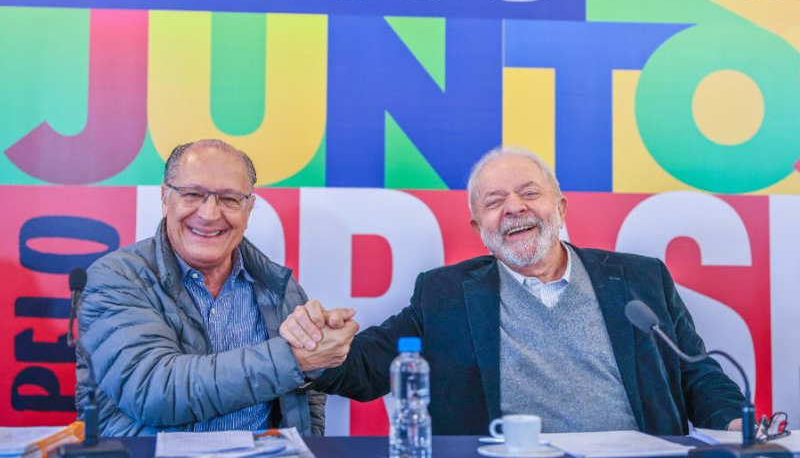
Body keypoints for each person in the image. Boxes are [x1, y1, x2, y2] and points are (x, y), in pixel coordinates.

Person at [280, 146, 745, 435]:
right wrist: (322, 350)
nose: (514, 208)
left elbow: (697, 375)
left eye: (529, 193)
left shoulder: (641, 280)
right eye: (495, 201)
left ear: (560, 207)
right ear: (478, 225)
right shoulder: (444, 293)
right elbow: (367, 368)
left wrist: (734, 422)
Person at [75, 139, 357, 436]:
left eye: (230, 199)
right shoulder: (116, 278)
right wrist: (294, 360)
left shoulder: (279, 288)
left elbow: (304, 398)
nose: (209, 214)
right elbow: (155, 392)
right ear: (164, 197)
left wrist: (317, 350)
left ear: (249, 208)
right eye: (193, 194)